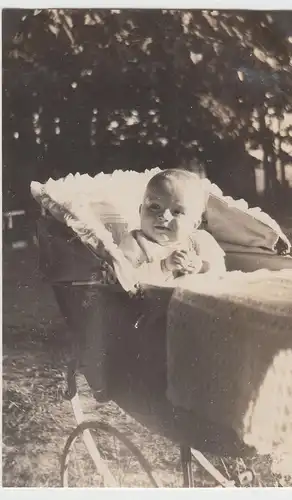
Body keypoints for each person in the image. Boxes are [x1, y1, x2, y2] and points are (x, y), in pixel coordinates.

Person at [119, 168, 226, 286]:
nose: (163, 216)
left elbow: (221, 272)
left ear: (195, 224)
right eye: (154, 206)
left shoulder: (200, 241)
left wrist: (201, 266)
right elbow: (125, 278)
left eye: (176, 211)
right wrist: (164, 266)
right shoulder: (135, 242)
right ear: (140, 211)